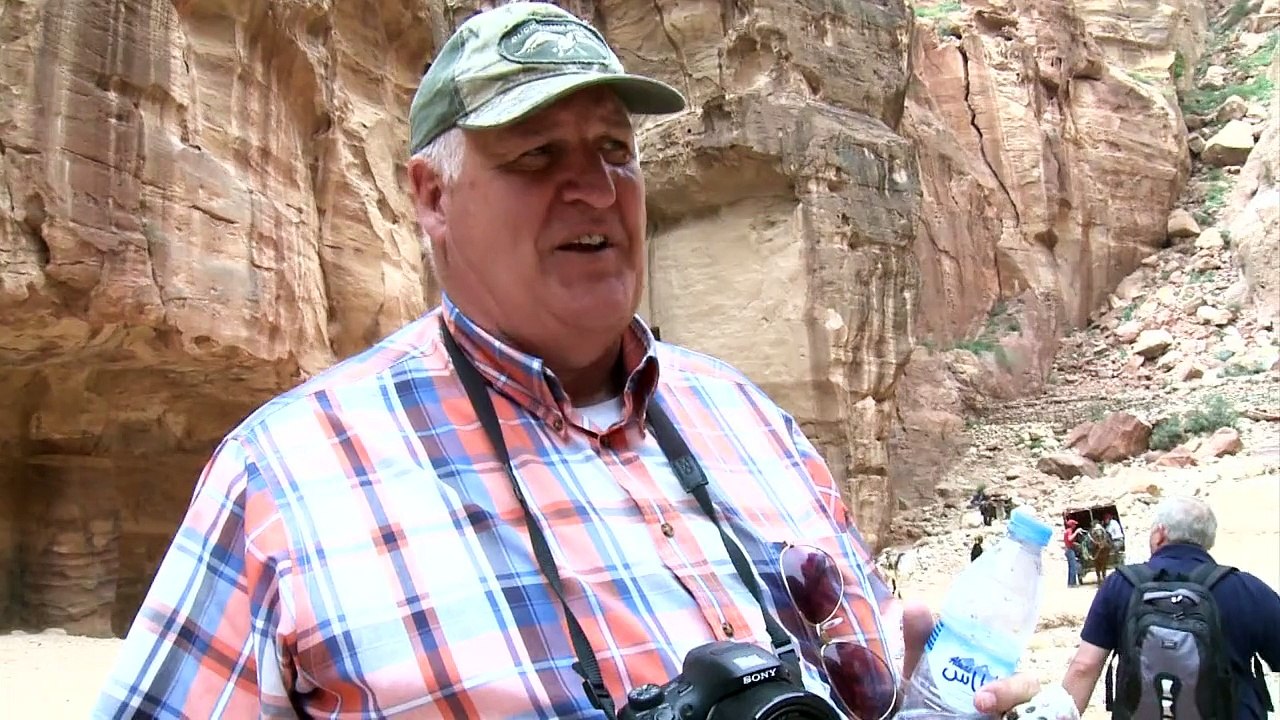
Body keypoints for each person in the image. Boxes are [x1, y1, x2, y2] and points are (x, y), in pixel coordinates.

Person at [92, 4, 1043, 718]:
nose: (594, 188)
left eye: (615, 150)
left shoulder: (752, 422)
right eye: (538, 155)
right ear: (432, 197)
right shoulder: (284, 479)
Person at [1061, 496, 1280, 719]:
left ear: (1160, 533)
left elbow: (1084, 667)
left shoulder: (1120, 585)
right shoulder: (1246, 589)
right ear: (1208, 540)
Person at [1064, 518, 1086, 587]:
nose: (1075, 526)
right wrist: (1076, 532)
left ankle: (1070, 583)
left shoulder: (1067, 531)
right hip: (1070, 550)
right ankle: (1072, 584)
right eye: (1074, 525)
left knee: (1071, 567)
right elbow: (1069, 539)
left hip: (1068, 550)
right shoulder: (1069, 530)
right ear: (1072, 525)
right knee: (1073, 567)